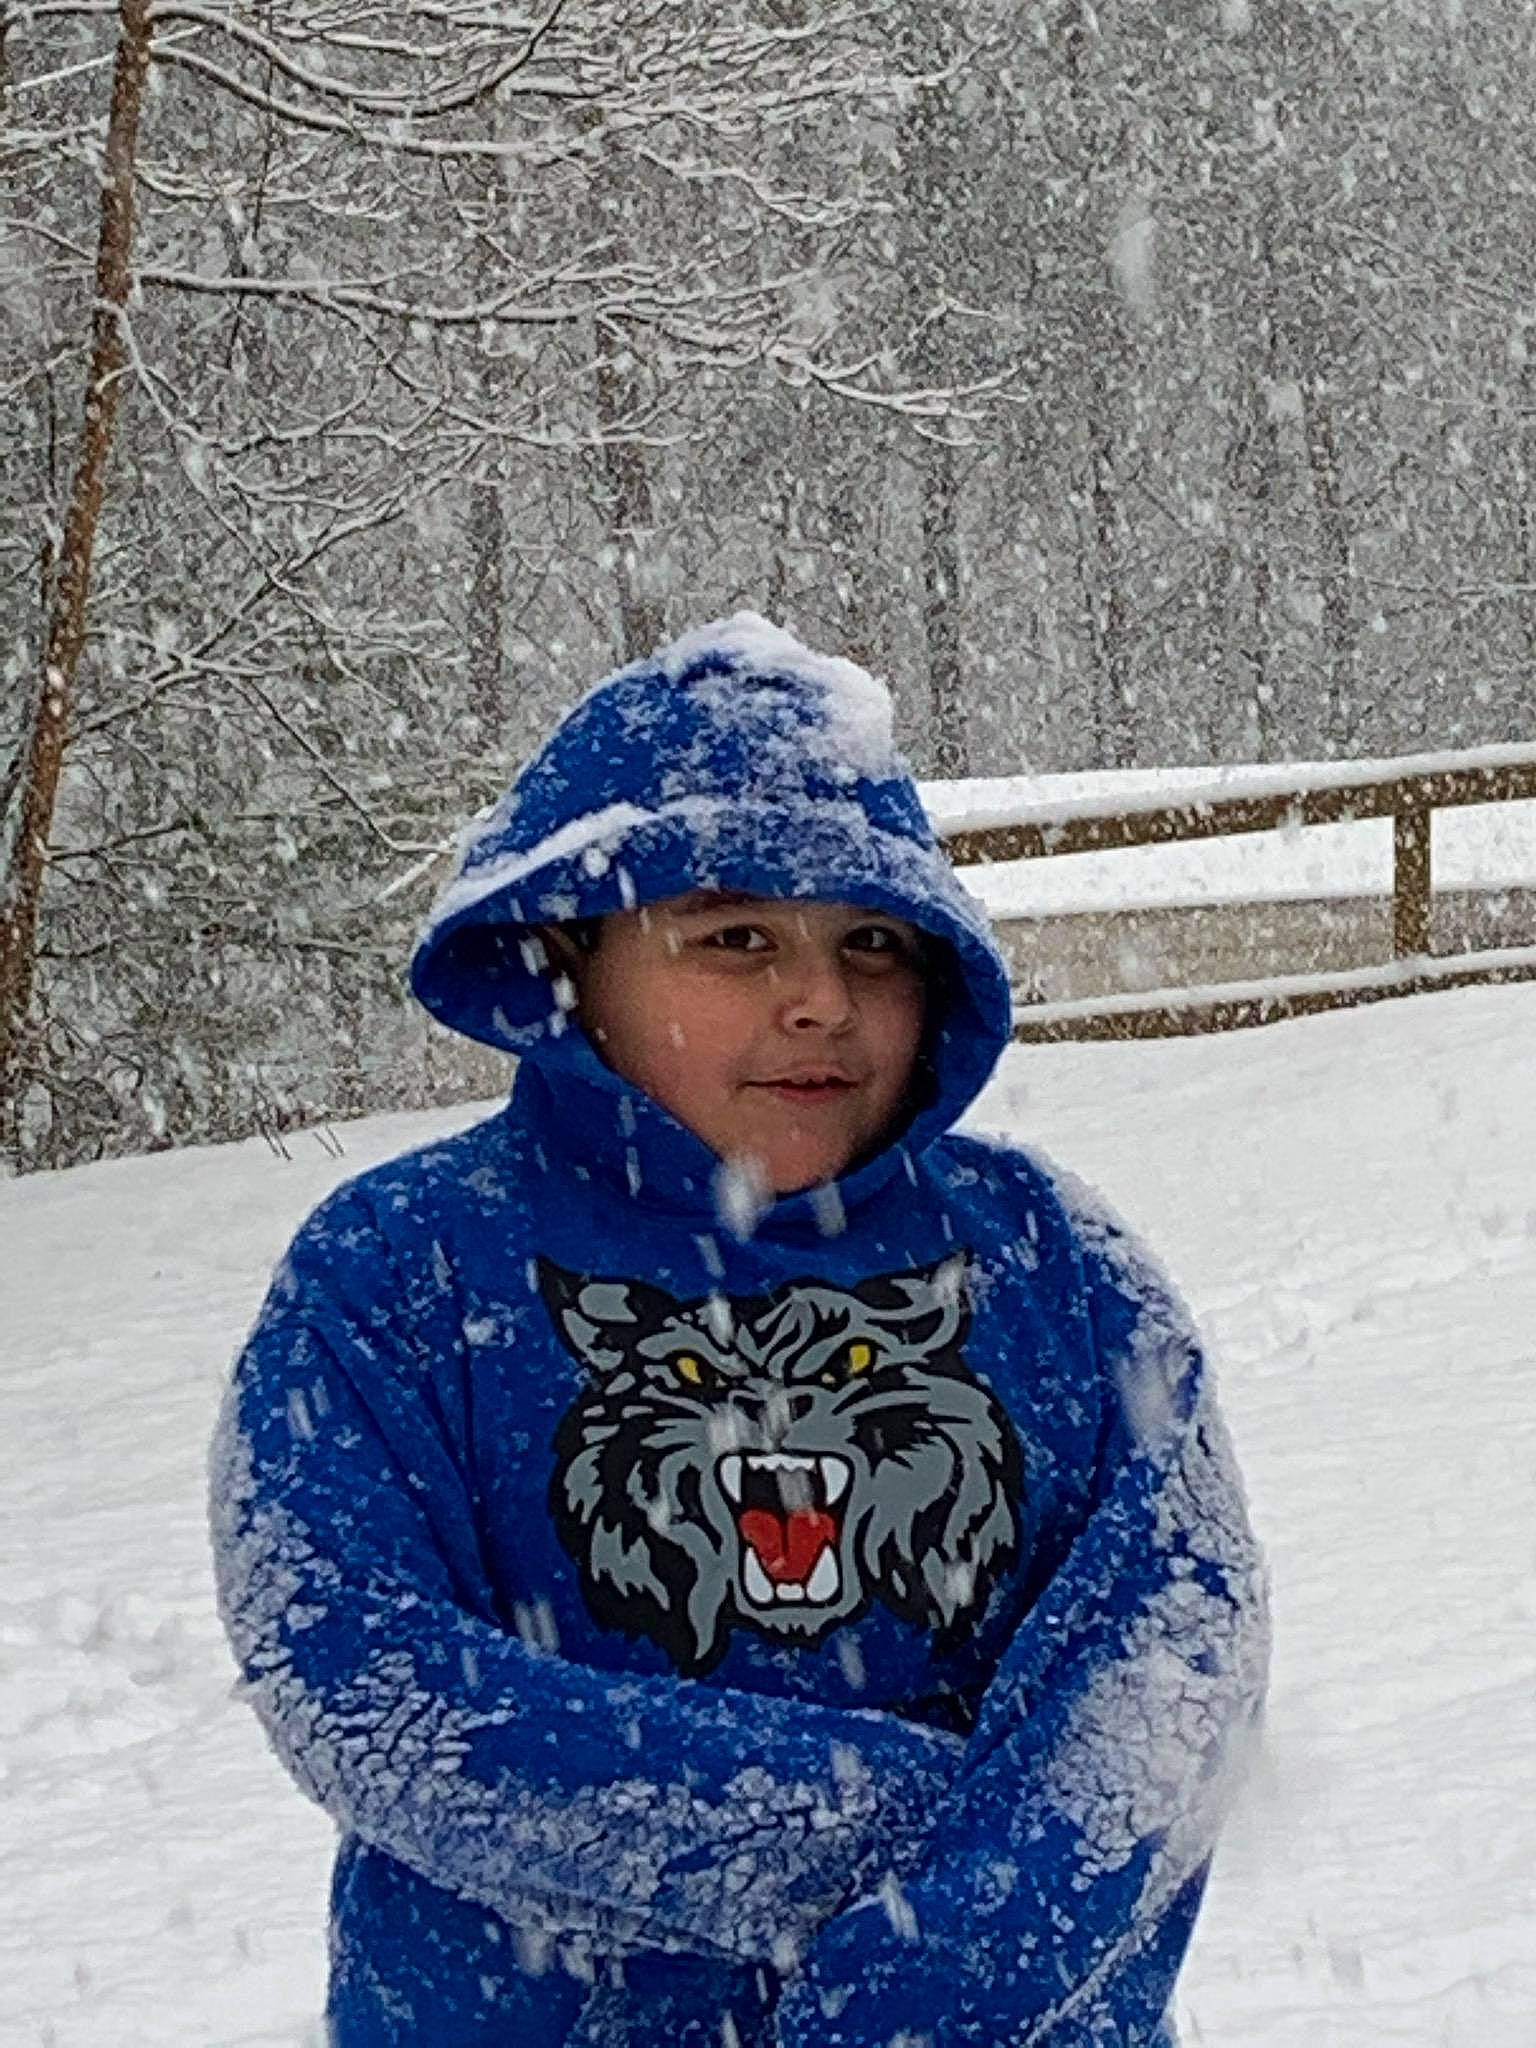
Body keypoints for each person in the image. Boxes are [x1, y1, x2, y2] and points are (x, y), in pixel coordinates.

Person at [210, 613, 1270, 2047]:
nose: (820, 999)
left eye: (873, 942)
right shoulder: (395, 1276)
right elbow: (363, 1679)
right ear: (573, 951)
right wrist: (894, 1830)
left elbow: (1173, 1662)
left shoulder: (1053, 1262)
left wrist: (947, 1969)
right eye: (737, 938)